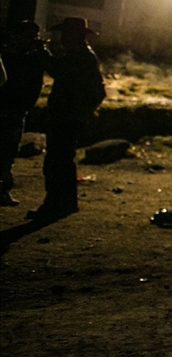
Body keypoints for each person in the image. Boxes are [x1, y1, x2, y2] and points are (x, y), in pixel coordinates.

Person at [27, 17, 105, 221]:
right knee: (63, 161)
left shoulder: (81, 57)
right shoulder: (82, 55)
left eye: (65, 34)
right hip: (70, 116)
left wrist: (43, 54)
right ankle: (67, 203)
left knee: (56, 162)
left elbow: (58, 71)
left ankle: (53, 204)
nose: (62, 38)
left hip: (67, 117)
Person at [0, 21, 50, 206]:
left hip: (16, 111)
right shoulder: (8, 56)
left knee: (8, 153)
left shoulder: (32, 59)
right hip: (9, 110)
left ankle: (3, 190)